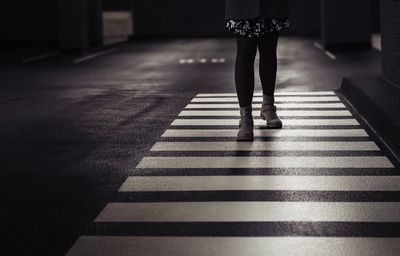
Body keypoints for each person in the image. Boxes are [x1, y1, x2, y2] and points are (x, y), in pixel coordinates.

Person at [225, 0, 290, 141]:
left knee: (269, 51)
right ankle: (246, 117)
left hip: (271, 5)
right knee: (245, 52)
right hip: (243, 6)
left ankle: (268, 107)